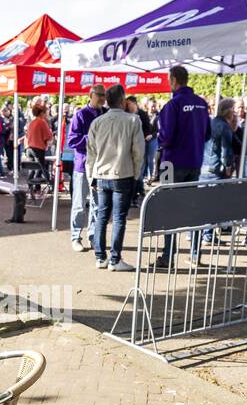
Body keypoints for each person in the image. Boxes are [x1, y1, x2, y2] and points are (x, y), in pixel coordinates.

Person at [153, 66, 210, 266]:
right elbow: (208, 134)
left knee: (169, 207)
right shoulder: (202, 104)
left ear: (174, 80)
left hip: (172, 162)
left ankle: (168, 255)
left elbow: (165, 137)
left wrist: (159, 140)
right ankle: (194, 253)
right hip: (195, 161)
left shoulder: (172, 105)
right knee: (191, 207)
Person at [85, 84, 145, 272]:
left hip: (101, 174)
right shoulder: (133, 120)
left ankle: (100, 257)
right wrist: (136, 175)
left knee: (102, 216)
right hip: (123, 174)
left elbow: (91, 154)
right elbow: (138, 152)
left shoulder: (97, 122)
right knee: (119, 218)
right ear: (122, 100)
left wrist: (91, 177)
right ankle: (115, 259)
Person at [66, 84, 108, 252]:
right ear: (91, 95)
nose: (102, 98)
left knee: (98, 205)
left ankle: (93, 236)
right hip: (83, 166)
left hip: (100, 166)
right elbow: (72, 141)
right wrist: (91, 139)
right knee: (79, 204)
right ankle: (76, 236)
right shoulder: (80, 115)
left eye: (104, 95)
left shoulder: (105, 114)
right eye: (99, 95)